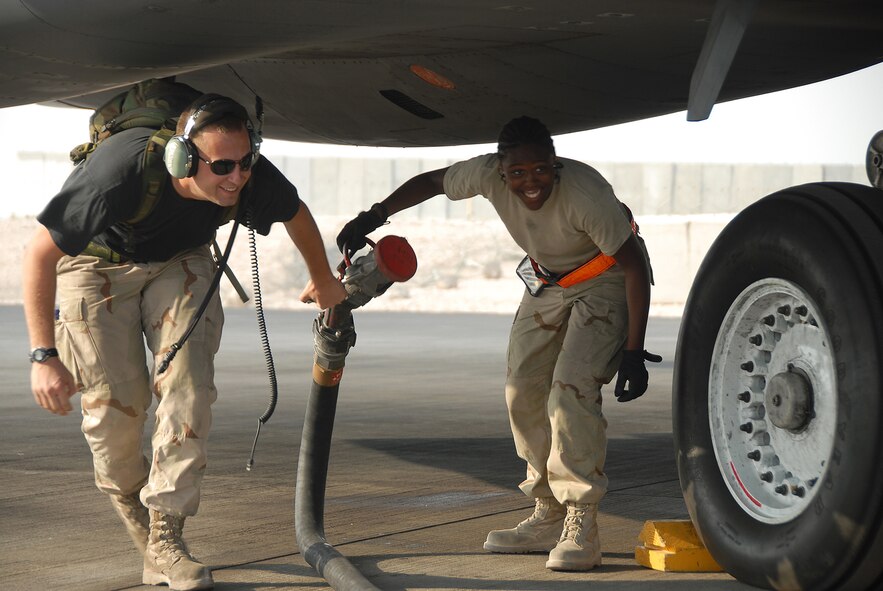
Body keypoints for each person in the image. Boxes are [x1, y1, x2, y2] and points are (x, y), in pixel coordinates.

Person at [23, 93, 346, 591]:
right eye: (221, 166)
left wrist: (323, 277)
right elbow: (39, 254)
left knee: (189, 385)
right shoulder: (120, 172)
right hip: (96, 263)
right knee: (115, 411)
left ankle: (166, 536)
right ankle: (138, 517)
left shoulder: (246, 176)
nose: (236, 178)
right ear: (182, 158)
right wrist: (44, 355)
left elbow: (296, 213)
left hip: (180, 260)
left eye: (244, 163)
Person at [336, 116, 658, 572]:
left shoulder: (585, 194)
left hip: (604, 280)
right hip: (548, 282)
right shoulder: (487, 174)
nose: (532, 182)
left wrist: (633, 350)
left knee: (571, 392)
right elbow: (432, 182)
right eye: (519, 173)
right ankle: (547, 512)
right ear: (501, 171)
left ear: (555, 165)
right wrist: (374, 215)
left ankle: (582, 523)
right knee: (522, 389)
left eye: (541, 170)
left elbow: (634, 266)